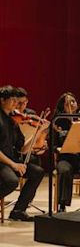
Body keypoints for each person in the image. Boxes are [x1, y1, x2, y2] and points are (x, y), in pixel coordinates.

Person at [0, 85, 44, 221]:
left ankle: (18, 210)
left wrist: (38, 133)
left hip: (10, 160)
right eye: (12, 100)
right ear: (2, 100)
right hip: (2, 162)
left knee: (37, 172)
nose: (16, 104)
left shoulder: (13, 121)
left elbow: (22, 149)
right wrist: (14, 165)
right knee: (11, 181)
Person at [54, 92, 80, 211]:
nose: (72, 104)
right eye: (68, 103)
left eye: (73, 101)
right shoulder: (58, 121)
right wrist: (60, 149)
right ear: (63, 106)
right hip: (65, 157)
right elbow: (53, 144)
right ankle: (62, 205)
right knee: (65, 170)